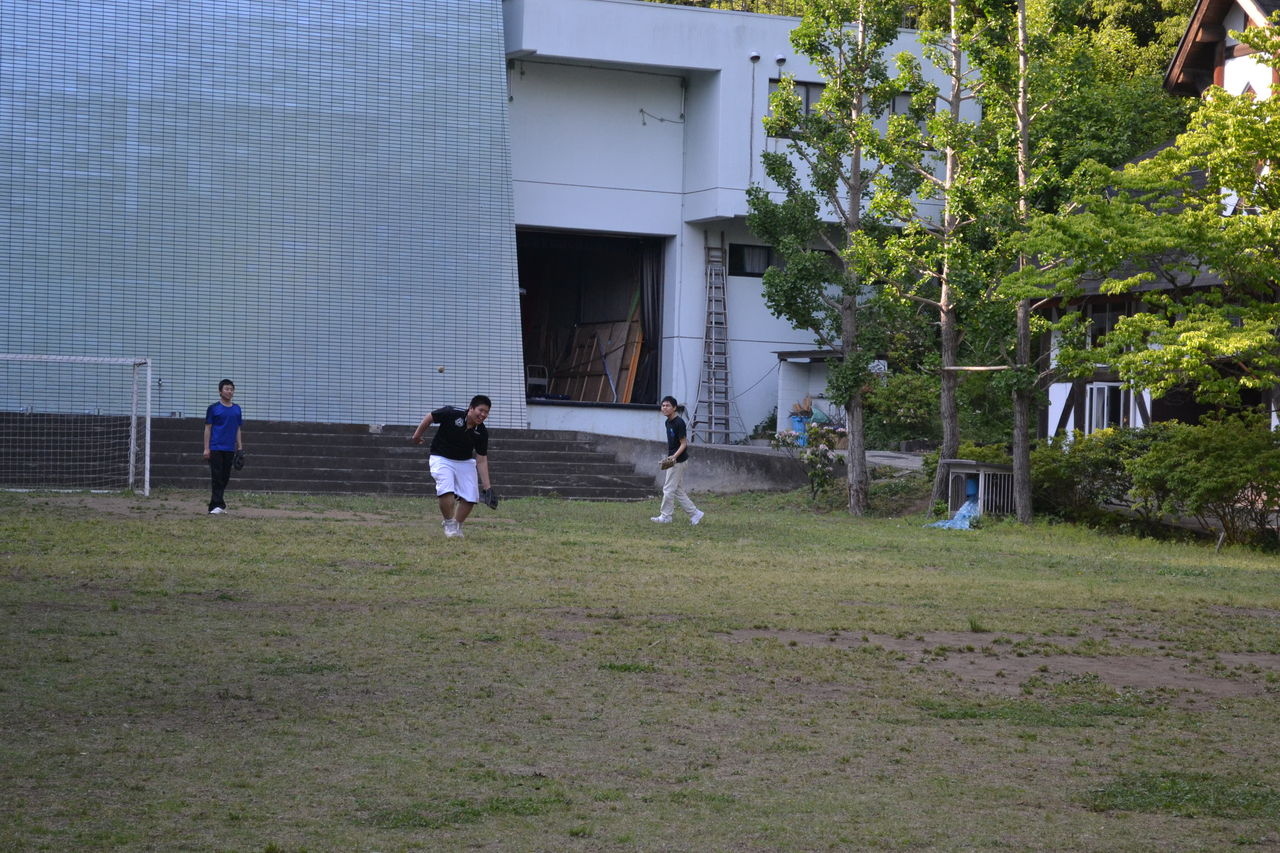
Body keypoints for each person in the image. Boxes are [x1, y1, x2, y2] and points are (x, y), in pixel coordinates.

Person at [411, 394, 493, 539]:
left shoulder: (482, 432)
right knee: (446, 489)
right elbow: (430, 416)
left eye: (486, 412)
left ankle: (457, 525)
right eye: (481, 410)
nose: (483, 415)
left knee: (471, 496)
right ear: (471, 408)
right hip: (441, 457)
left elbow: (481, 460)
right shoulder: (451, 413)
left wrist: (488, 488)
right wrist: (417, 435)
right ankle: (449, 523)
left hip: (465, 461)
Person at [651, 395, 703, 526]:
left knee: (668, 489)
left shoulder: (679, 423)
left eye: (668, 405)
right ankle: (695, 513)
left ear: (674, 408)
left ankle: (666, 516)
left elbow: (684, 443)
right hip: (673, 459)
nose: (664, 408)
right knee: (678, 490)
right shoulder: (667, 422)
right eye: (663, 405)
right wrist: (670, 456)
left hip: (678, 461)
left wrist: (674, 457)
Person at [203, 378, 243, 515]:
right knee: (217, 477)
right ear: (220, 391)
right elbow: (208, 429)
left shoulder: (237, 409)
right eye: (226, 388)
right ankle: (217, 505)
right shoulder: (213, 408)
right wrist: (206, 448)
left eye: (231, 389)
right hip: (215, 447)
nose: (229, 391)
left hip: (229, 449)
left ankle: (217, 505)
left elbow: (238, 429)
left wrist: (240, 448)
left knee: (225, 477)